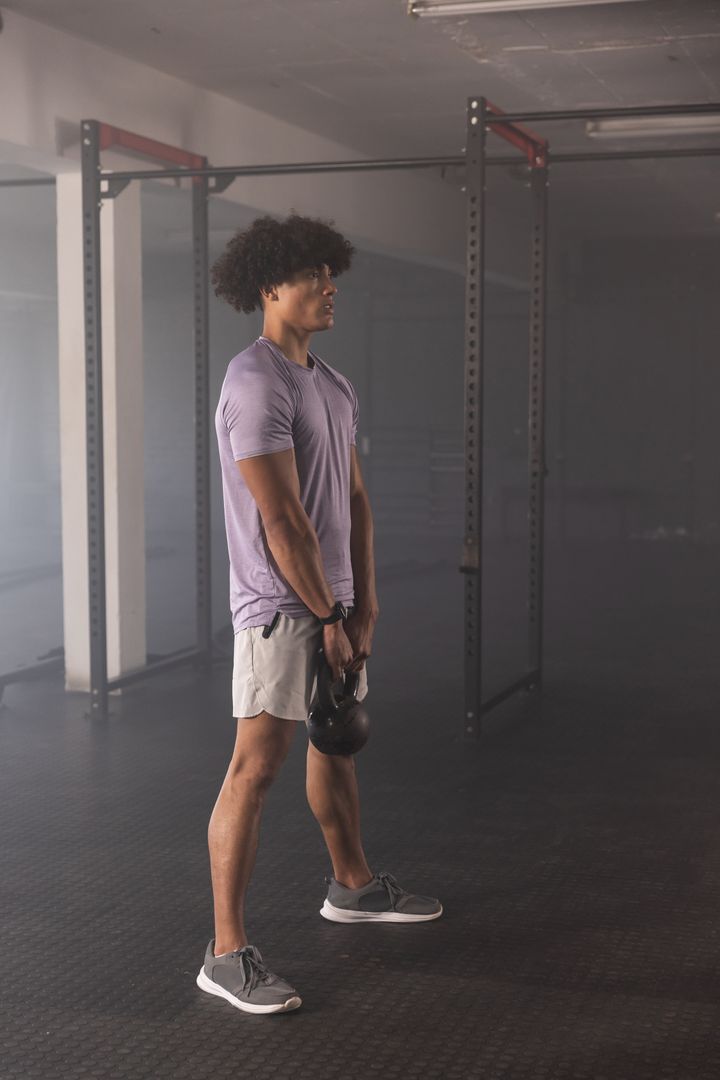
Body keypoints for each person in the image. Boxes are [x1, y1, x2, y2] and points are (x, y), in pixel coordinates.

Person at [196, 212, 442, 1016]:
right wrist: (330, 612)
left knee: (335, 747)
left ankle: (354, 887)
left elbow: (356, 500)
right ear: (269, 288)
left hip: (335, 604)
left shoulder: (332, 384)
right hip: (282, 606)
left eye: (330, 276)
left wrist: (364, 601)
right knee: (256, 767)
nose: (330, 289)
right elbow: (281, 520)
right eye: (313, 277)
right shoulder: (255, 381)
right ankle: (225, 953)